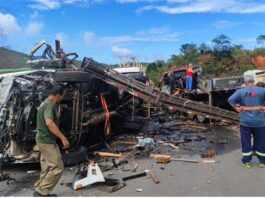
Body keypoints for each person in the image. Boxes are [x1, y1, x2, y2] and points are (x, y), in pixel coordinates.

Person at [34, 85, 70, 197]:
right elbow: (49, 123)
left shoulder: (44, 103)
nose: (62, 99)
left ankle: (40, 189)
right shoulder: (49, 105)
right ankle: (41, 192)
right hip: (46, 141)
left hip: (41, 139)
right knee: (57, 167)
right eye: (62, 96)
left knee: (46, 167)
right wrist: (63, 138)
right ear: (57, 95)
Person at [228, 74, 265, 169]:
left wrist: (236, 108)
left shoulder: (240, 91)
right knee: (261, 141)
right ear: (254, 81)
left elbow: (230, 100)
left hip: (245, 122)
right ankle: (262, 162)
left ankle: (247, 161)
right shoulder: (262, 90)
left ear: (245, 82)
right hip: (260, 122)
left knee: (246, 141)